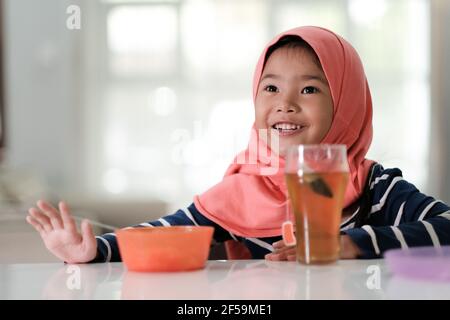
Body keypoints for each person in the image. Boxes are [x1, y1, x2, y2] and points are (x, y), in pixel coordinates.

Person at [26, 26, 450, 264]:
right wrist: (94, 250)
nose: (284, 104)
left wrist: (353, 242)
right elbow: (167, 233)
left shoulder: (376, 188)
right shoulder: (242, 192)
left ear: (346, 104)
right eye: (270, 88)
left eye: (308, 90)